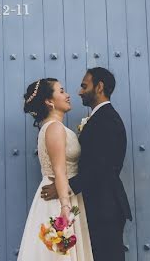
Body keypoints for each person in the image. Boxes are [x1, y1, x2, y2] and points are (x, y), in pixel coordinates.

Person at [41, 68, 132, 261]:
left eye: (84, 86)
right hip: (97, 206)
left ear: (99, 87)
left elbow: (103, 168)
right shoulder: (100, 118)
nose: (79, 92)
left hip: (105, 208)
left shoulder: (107, 120)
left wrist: (64, 188)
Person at [16, 78, 95, 261]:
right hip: (59, 199)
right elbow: (60, 171)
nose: (67, 95)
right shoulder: (55, 129)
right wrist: (65, 208)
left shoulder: (53, 128)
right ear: (49, 101)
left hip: (65, 194)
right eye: (61, 91)